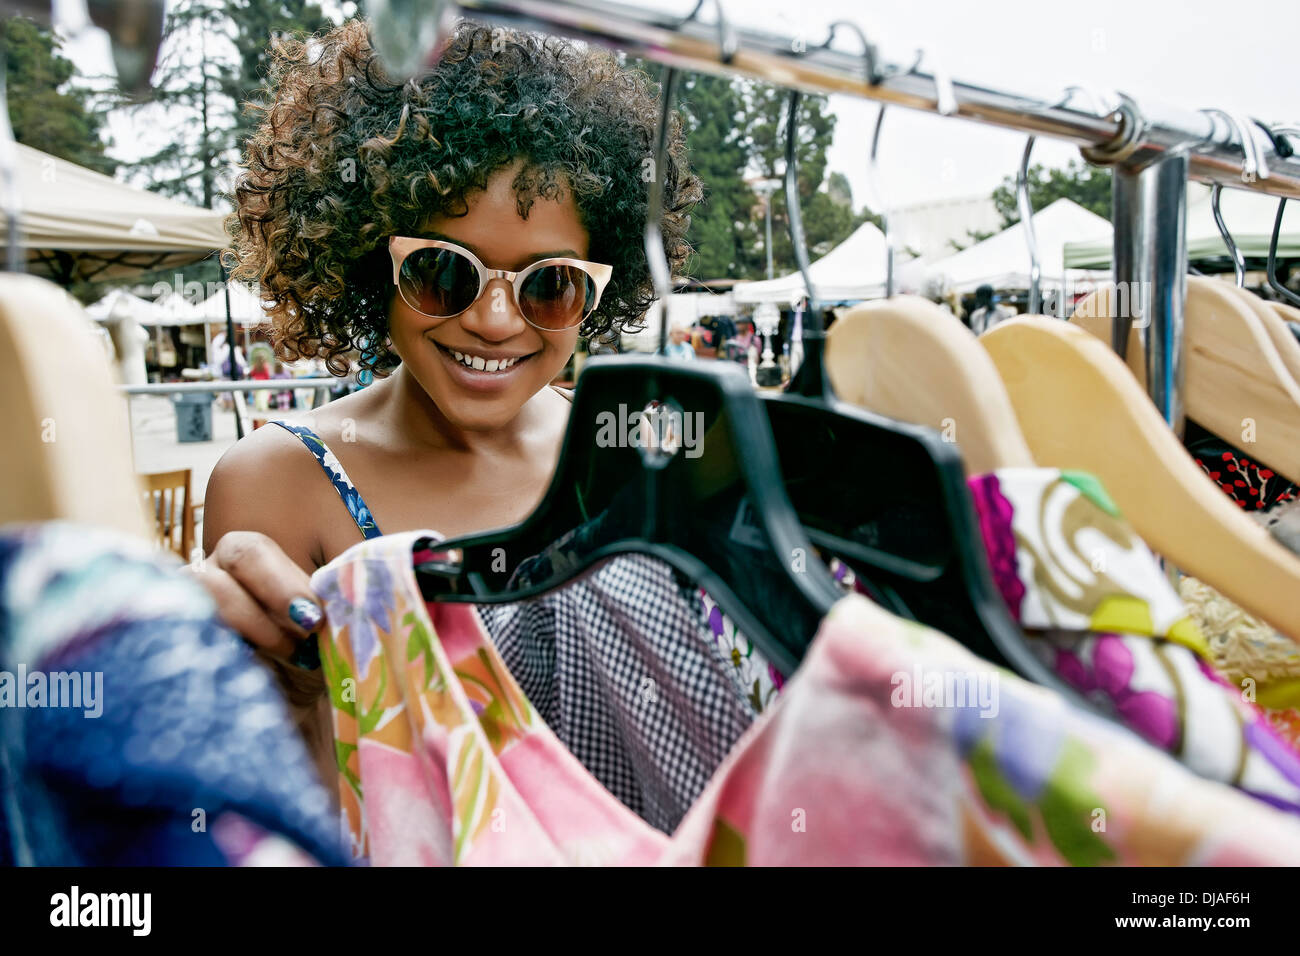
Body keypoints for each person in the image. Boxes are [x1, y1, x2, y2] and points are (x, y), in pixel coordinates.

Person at [193, 17, 702, 780]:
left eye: (551, 285)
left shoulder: (625, 448)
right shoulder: (280, 481)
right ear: (371, 262)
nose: (494, 322)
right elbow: (293, 805)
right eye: (443, 272)